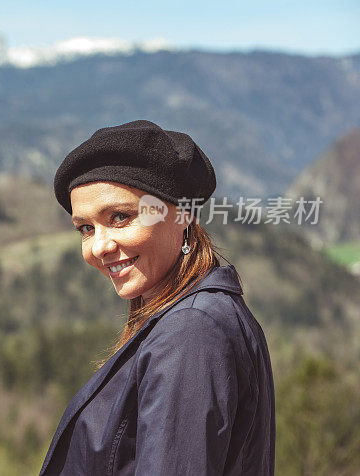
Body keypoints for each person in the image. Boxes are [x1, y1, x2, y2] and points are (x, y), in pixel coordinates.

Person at [39, 120, 275, 475]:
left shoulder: (192, 332)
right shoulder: (194, 316)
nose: (99, 246)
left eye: (120, 217)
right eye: (86, 228)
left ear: (181, 213)